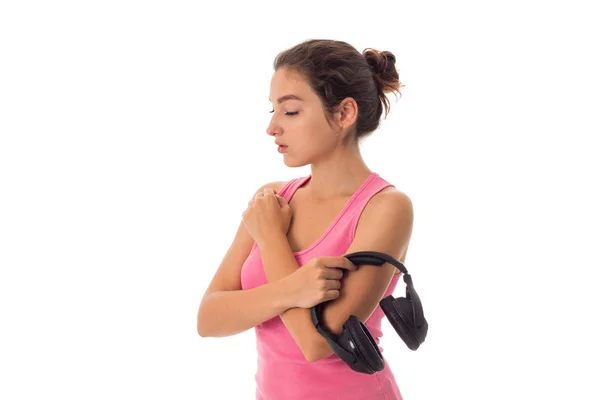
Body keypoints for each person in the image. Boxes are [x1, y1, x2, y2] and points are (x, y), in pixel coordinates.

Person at [197, 38, 414, 400]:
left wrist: (271, 240)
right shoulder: (273, 200)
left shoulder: (386, 208)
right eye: (273, 111)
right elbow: (208, 318)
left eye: (291, 111)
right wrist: (293, 288)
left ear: (345, 113)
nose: (273, 128)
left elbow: (316, 344)